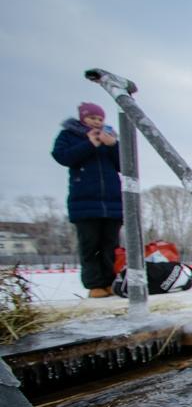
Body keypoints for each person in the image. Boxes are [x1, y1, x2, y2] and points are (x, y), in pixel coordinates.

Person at [51, 102, 123, 298]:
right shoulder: (69, 136)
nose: (97, 122)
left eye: (100, 119)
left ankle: (111, 282)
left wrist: (113, 145)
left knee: (111, 246)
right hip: (84, 203)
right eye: (92, 118)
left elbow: (125, 165)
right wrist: (89, 144)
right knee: (90, 245)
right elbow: (62, 157)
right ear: (83, 118)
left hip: (112, 203)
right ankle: (95, 285)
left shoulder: (109, 138)